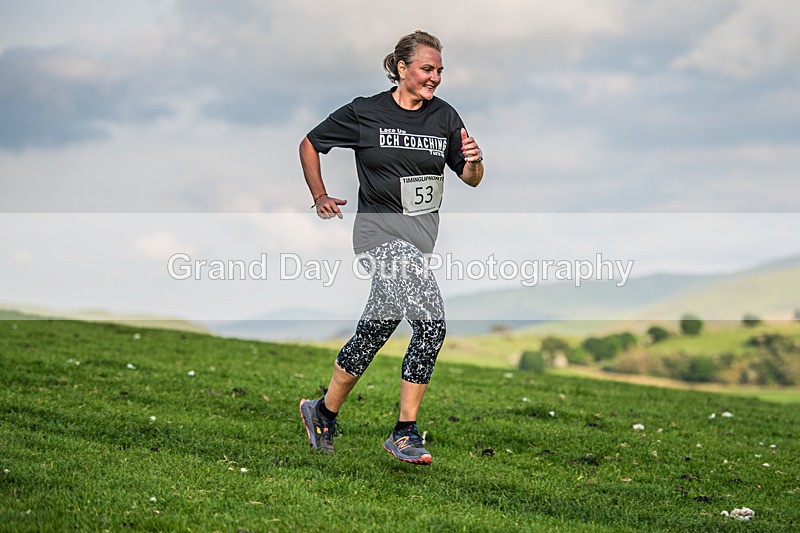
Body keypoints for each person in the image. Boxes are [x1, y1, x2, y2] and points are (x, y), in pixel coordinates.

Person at [298, 30, 484, 465]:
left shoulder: (445, 117)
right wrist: (320, 194)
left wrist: (474, 160)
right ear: (402, 68)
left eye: (439, 70)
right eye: (427, 68)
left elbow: (471, 179)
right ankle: (405, 432)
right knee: (431, 324)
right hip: (378, 238)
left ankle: (321, 411)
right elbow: (310, 143)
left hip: (419, 245)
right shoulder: (366, 112)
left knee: (374, 331)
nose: (435, 77)